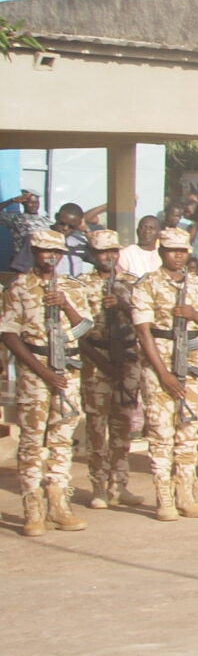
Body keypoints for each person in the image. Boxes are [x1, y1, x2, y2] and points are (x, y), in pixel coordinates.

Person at [1, 229, 91, 534]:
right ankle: (33, 508)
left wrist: (65, 303)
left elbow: (85, 328)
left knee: (62, 440)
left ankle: (58, 505)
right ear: (34, 252)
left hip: (67, 369)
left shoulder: (72, 287)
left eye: (55, 252)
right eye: (43, 251)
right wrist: (42, 371)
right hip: (35, 370)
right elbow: (10, 335)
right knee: (31, 441)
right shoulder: (19, 288)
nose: (50, 257)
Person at [129, 228, 198, 522]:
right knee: (161, 433)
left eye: (183, 250)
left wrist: (194, 315)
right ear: (160, 252)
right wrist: (163, 373)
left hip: (192, 363)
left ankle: (186, 493)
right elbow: (143, 332)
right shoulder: (147, 285)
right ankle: (164, 497)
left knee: (189, 432)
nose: (178, 256)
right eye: (171, 250)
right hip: (160, 363)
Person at [75, 228, 138, 508]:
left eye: (113, 251)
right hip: (95, 357)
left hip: (126, 357)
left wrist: (122, 303)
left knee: (123, 423)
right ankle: (99, 486)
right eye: (102, 252)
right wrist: (100, 362)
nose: (109, 257)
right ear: (93, 255)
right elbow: (76, 331)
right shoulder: (80, 285)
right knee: (97, 425)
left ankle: (119, 484)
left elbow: (146, 321)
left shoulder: (132, 283)